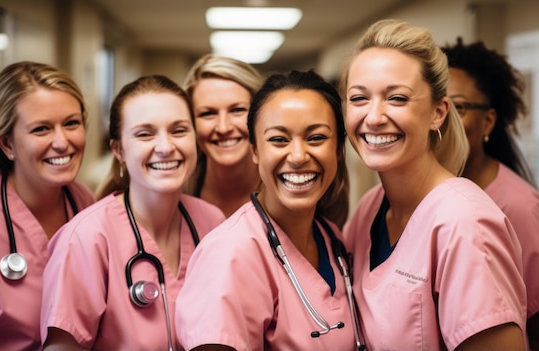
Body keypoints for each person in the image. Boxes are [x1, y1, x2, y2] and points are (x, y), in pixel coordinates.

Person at [342, 19, 528, 350]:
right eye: (358, 98)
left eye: (396, 98)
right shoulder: (370, 208)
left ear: (437, 113)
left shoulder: (464, 222)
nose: (373, 116)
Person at [175, 70, 363, 350]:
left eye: (316, 138)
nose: (298, 156)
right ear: (255, 151)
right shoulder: (229, 253)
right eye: (278, 140)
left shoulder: (331, 238)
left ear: (338, 149)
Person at [40, 75, 226, 350]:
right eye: (144, 134)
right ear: (118, 150)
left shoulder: (212, 223)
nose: (165, 147)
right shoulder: (86, 239)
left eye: (179, 130)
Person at [442, 38, 539, 351]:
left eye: (458, 107)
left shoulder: (517, 206)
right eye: (436, 105)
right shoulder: (415, 195)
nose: (443, 118)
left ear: (488, 120)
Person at [0, 61, 95, 350]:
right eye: (41, 129)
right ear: (7, 144)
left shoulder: (84, 201)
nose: (62, 142)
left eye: (71, 123)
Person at [183, 54, 263, 217]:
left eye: (237, 110)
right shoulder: (177, 192)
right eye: (208, 113)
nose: (223, 127)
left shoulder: (288, 188)